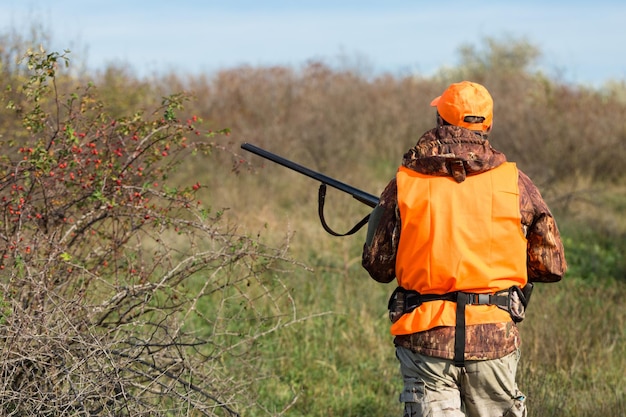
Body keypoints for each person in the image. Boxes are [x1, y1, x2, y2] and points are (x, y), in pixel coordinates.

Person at [361, 81, 567, 417]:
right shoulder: (516, 183)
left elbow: (378, 266)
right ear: (487, 125)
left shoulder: (406, 181)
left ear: (441, 121)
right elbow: (552, 265)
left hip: (426, 340)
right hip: (493, 341)